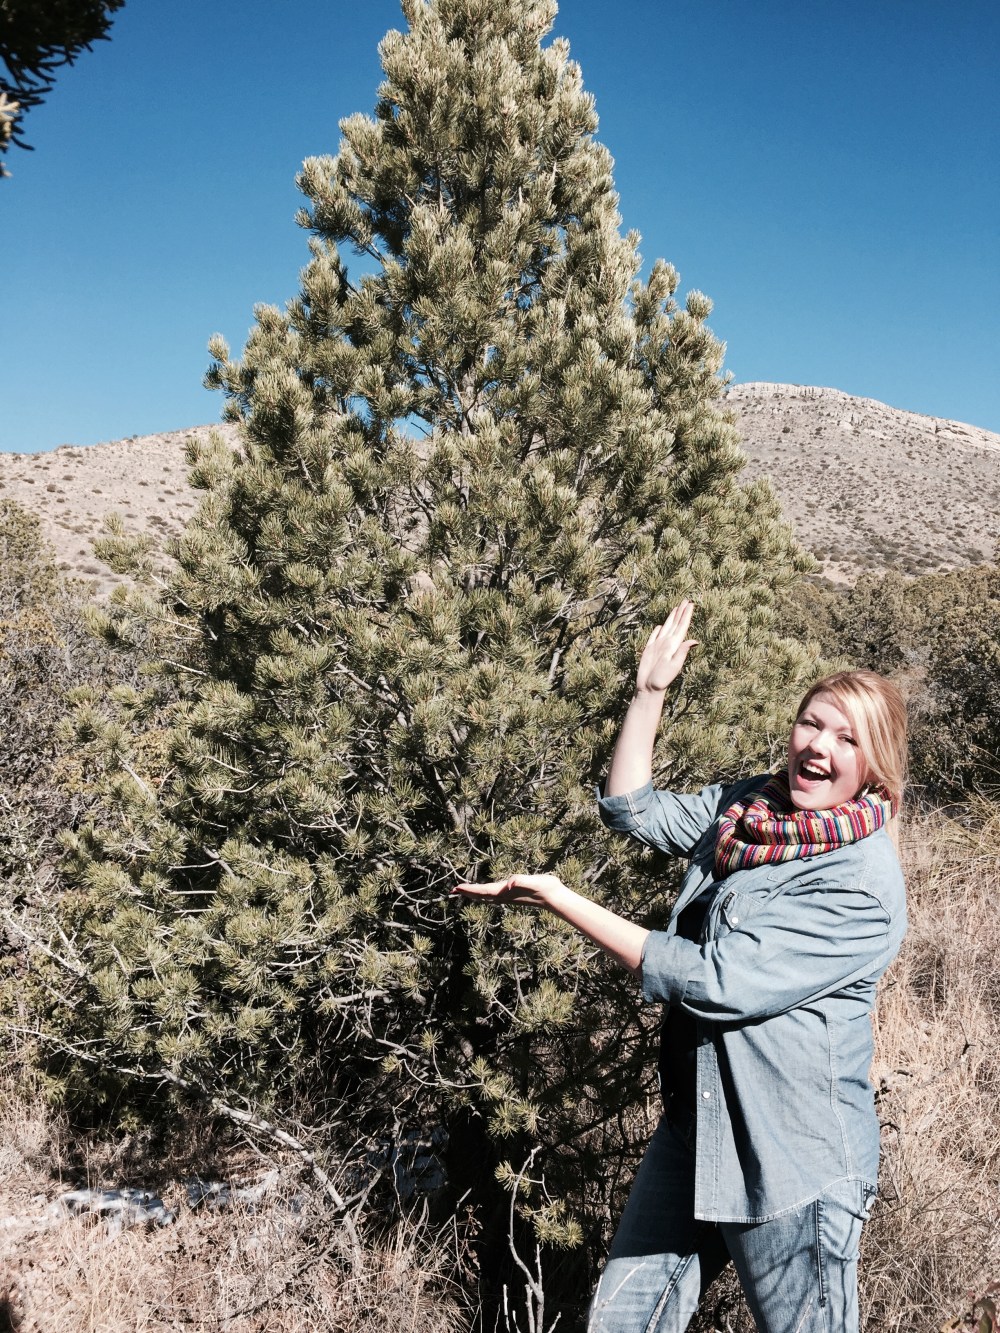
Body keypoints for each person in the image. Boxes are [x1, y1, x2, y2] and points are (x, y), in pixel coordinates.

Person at [452, 599, 908, 1333]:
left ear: (874, 764)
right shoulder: (749, 811)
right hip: (699, 1126)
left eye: (846, 738)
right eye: (812, 722)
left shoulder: (858, 885)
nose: (819, 745)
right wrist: (650, 692)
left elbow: (716, 980)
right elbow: (633, 806)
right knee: (620, 1323)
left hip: (789, 1159)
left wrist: (562, 899)